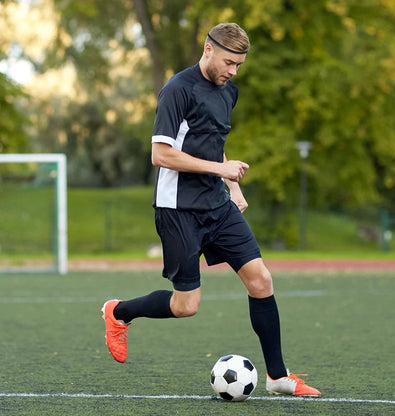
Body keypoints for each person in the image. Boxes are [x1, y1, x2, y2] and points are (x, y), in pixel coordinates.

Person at [101, 22, 321, 397]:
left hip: (217, 205)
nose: (233, 71)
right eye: (229, 62)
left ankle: (279, 377)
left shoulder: (228, 91)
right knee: (186, 306)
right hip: (178, 209)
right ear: (207, 50)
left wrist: (232, 186)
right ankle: (118, 312)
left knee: (261, 281)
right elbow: (160, 154)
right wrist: (222, 170)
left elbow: (212, 142)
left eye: (239, 64)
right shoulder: (177, 90)